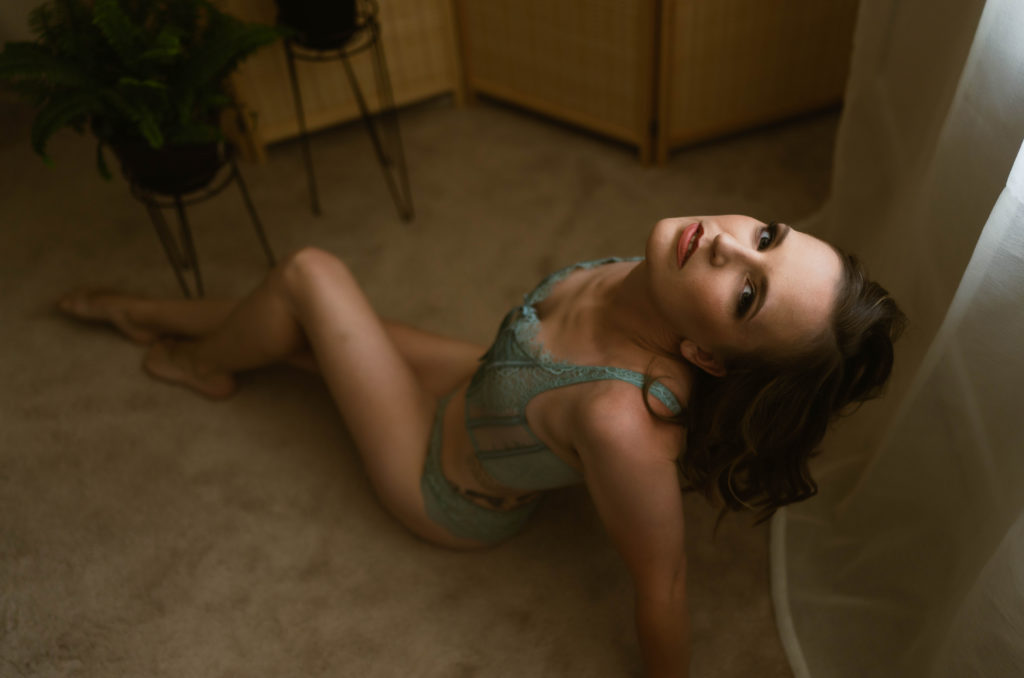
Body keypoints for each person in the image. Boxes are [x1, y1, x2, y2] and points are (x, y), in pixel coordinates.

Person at [57, 214, 906, 678]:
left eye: (747, 294)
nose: (726, 243)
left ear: (709, 358)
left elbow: (665, 582)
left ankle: (201, 361)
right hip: (483, 381)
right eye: (768, 237)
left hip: (443, 480)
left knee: (310, 278)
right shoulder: (663, 271)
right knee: (304, 324)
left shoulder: (624, 422)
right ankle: (161, 314)